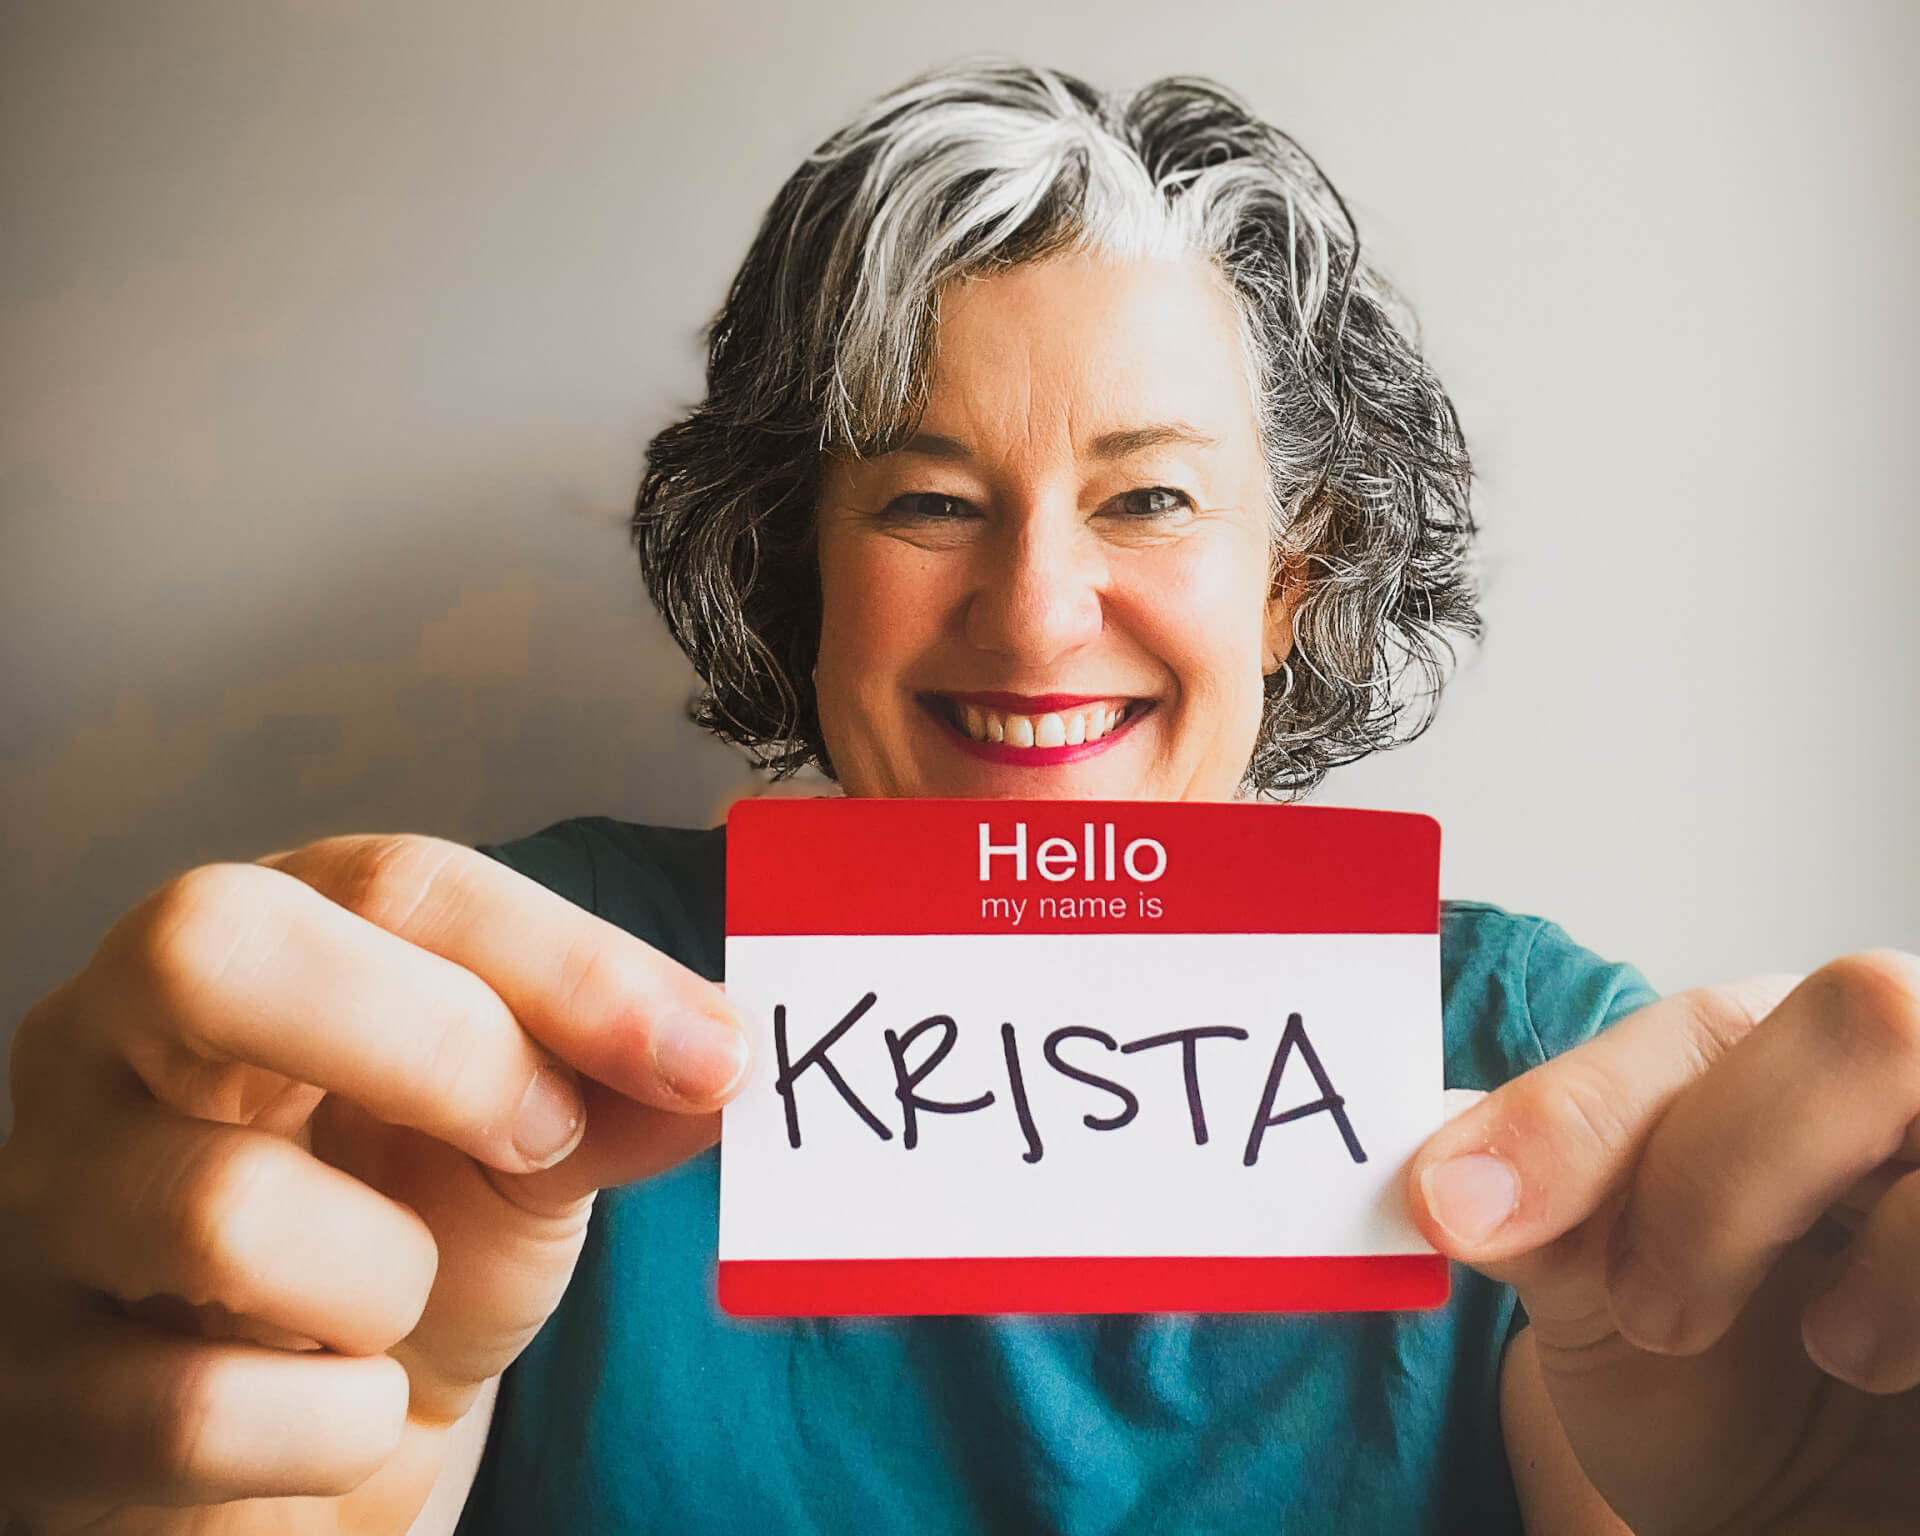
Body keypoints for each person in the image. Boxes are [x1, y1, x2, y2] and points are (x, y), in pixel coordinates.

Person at [2, 59, 1915, 1535]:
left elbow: (1681, 1455)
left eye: (1152, 498)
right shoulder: (504, 1033)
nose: (1035, 612)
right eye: (926, 500)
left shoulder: (1536, 1065)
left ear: (1292, 580)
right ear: (799, 567)